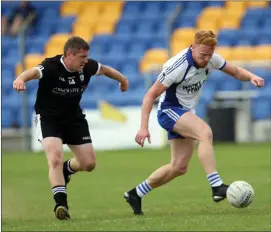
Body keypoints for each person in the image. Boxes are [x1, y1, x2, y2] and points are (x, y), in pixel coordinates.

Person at [124, 30, 264, 215]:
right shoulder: (177, 66)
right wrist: (143, 127)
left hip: (186, 112)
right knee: (205, 133)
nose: (206, 59)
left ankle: (136, 193)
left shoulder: (212, 58)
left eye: (209, 55)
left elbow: (236, 72)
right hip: (169, 111)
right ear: (193, 47)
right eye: (202, 55)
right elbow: (150, 95)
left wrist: (251, 76)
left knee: (179, 167)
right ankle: (216, 186)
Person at [13, 36, 129, 220]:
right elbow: (33, 72)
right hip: (49, 119)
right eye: (82, 56)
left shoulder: (87, 67)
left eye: (86, 56)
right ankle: (61, 204)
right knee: (55, 158)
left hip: (74, 118)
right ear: (69, 55)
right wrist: (20, 79)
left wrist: (122, 79)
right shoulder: (52, 66)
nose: (85, 60)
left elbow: (105, 69)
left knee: (88, 164)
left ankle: (68, 169)